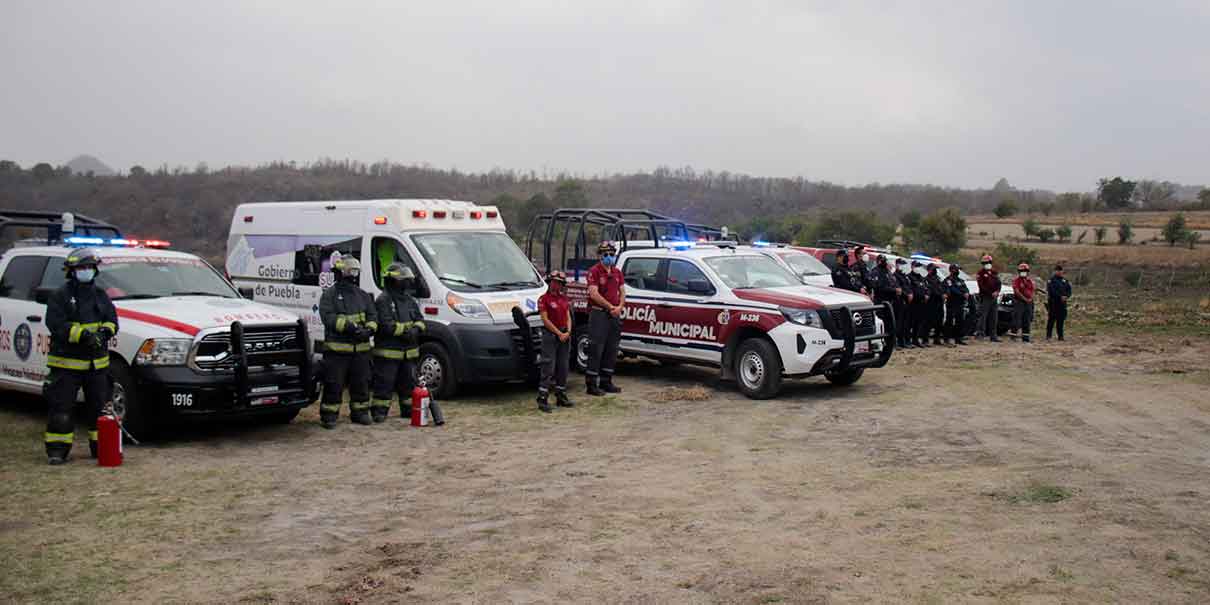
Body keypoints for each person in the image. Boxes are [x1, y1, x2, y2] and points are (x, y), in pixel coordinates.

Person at [43, 248, 118, 465]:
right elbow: (56, 325)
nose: (86, 271)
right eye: (81, 268)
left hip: (97, 366)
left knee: (99, 409)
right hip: (67, 365)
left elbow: (112, 320)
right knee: (61, 410)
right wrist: (83, 335)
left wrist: (104, 332)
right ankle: (57, 450)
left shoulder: (100, 295)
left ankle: (101, 449)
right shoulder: (60, 296)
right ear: (71, 271)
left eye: (89, 268)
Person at [318, 256, 378, 428]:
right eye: (349, 271)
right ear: (339, 273)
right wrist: (349, 327)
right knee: (333, 384)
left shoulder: (363, 295)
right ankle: (329, 415)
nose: (352, 275)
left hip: (361, 350)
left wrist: (369, 329)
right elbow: (328, 318)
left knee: (361, 383)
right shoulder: (329, 295)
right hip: (337, 352)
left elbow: (373, 316)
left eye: (354, 271)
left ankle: (360, 413)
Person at [370, 263, 425, 423]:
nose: (407, 283)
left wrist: (416, 330)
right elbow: (386, 326)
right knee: (384, 385)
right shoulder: (383, 300)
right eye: (404, 280)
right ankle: (379, 412)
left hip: (409, 353)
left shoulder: (409, 300)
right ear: (393, 280)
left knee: (408, 384)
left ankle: (408, 409)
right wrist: (408, 330)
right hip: (388, 353)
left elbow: (420, 320)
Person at [585, 241, 625, 396]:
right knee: (596, 348)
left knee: (612, 348)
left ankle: (606, 381)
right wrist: (610, 307)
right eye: (606, 254)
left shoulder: (617, 272)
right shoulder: (594, 271)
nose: (609, 257)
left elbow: (622, 292)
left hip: (614, 314)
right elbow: (594, 294)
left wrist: (620, 307)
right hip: (599, 314)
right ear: (600, 256)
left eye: (611, 254)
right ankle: (591, 384)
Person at [537, 271, 574, 412]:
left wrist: (568, 331)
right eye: (554, 281)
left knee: (563, 366)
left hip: (564, 335)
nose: (556, 284)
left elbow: (567, 315)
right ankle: (542, 398)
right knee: (548, 367)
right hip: (551, 335)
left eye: (559, 282)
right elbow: (545, 320)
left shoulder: (564, 299)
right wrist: (559, 333)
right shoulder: (543, 299)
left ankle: (561, 395)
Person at [870, 255, 901, 342]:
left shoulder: (887, 271)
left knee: (890, 323)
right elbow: (879, 287)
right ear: (878, 261)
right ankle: (882, 341)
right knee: (882, 322)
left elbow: (893, 282)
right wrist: (894, 290)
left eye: (885, 260)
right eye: (882, 261)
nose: (884, 262)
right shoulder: (876, 272)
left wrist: (896, 289)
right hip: (881, 301)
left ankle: (890, 341)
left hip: (890, 301)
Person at [976, 254, 1001, 342]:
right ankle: (980, 334)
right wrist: (991, 293)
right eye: (986, 263)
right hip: (985, 297)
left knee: (994, 317)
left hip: (994, 298)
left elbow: (999, 283)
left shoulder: (994, 273)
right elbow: (981, 286)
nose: (988, 264)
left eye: (989, 262)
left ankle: (993, 335)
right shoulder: (980, 273)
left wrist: (997, 292)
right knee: (983, 316)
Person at [943, 264, 970, 345]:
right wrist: (963, 294)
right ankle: (947, 338)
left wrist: (967, 293)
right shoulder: (948, 280)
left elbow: (965, 288)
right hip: (952, 303)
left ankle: (958, 338)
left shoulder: (960, 280)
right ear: (951, 270)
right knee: (949, 321)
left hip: (960, 303)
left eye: (958, 269)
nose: (958, 271)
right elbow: (952, 289)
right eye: (956, 269)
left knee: (960, 321)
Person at [1010, 262, 1036, 343]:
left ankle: (1026, 337)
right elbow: (1017, 291)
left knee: (1027, 320)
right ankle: (1013, 335)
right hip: (1019, 302)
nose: (1023, 272)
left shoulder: (1029, 281)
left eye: (1025, 271)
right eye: (1022, 271)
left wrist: (1030, 298)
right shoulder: (1016, 281)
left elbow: (1032, 290)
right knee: (1017, 319)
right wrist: (1025, 298)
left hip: (1028, 303)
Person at [1046, 264, 1073, 341]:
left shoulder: (1064, 280)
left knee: (1060, 320)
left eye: (1061, 271)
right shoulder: (1051, 280)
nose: (1060, 272)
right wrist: (1060, 296)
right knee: (1051, 319)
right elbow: (1052, 291)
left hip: (1062, 304)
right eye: (1058, 271)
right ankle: (1048, 336)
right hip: (1053, 303)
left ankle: (1060, 336)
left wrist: (1067, 296)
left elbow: (1069, 290)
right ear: (1055, 271)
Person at [907, 260, 930, 347]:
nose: (918, 268)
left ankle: (915, 339)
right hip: (913, 303)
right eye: (916, 266)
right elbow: (912, 290)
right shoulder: (909, 277)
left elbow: (927, 288)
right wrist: (922, 296)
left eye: (919, 266)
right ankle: (908, 340)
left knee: (919, 322)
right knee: (910, 323)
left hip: (922, 303)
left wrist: (927, 294)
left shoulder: (921, 278)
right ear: (912, 267)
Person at [893, 258, 914, 348]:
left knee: (906, 323)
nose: (903, 266)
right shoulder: (895, 276)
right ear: (897, 265)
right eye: (901, 264)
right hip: (899, 301)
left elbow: (908, 286)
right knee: (899, 322)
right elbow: (898, 289)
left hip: (907, 302)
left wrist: (911, 294)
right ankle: (897, 341)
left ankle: (904, 341)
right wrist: (907, 295)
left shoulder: (904, 276)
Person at [925, 263, 946, 345]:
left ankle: (937, 338)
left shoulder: (938, 278)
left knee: (939, 321)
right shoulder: (927, 279)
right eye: (933, 269)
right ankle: (925, 339)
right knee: (929, 321)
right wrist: (941, 294)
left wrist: (945, 293)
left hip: (939, 302)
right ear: (929, 270)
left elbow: (944, 287)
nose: (935, 271)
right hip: (932, 302)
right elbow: (932, 289)